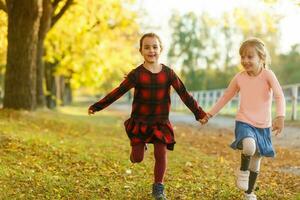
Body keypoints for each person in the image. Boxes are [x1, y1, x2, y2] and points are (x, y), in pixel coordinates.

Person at [88, 32, 207, 199]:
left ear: (161, 49)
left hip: (160, 122)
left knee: (161, 153)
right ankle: (139, 147)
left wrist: (198, 113)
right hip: (140, 121)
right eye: (147, 47)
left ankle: (158, 187)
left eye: (155, 47)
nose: (151, 50)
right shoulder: (137, 74)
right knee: (137, 159)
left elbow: (184, 93)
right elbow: (117, 92)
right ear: (141, 51)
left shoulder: (168, 73)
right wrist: (97, 106)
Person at [204, 38, 285, 200]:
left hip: (263, 126)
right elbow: (226, 96)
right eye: (242, 57)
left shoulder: (268, 75)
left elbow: (279, 95)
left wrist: (280, 116)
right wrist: (210, 113)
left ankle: (249, 193)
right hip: (244, 121)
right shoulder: (239, 77)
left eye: (250, 57)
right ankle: (242, 171)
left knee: (256, 161)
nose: (245, 61)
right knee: (249, 146)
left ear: (261, 58)